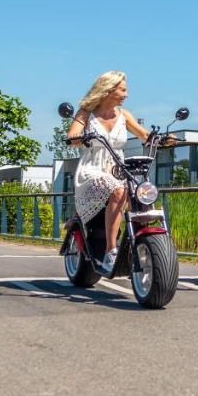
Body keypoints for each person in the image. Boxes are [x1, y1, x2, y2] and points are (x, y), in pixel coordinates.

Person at [66, 71, 157, 269]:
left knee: (142, 194)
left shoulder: (124, 115)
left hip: (118, 167)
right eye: (123, 89)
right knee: (119, 190)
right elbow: (72, 136)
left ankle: (142, 244)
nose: (127, 94)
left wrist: (161, 139)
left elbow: (144, 136)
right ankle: (110, 251)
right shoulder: (86, 113)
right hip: (92, 169)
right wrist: (80, 138)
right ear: (109, 90)